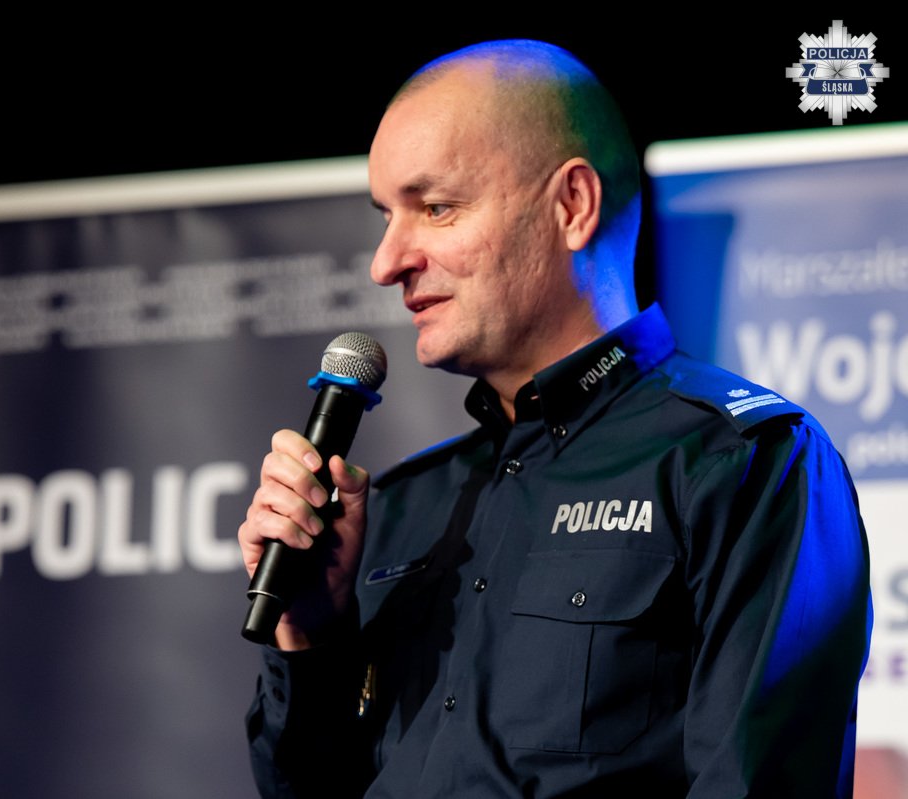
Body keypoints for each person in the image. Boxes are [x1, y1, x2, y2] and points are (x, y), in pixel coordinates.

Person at [238, 40, 871, 798]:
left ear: (572, 205)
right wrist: (311, 635)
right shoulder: (398, 509)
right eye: (386, 217)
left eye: (436, 208)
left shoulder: (743, 462)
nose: (386, 262)